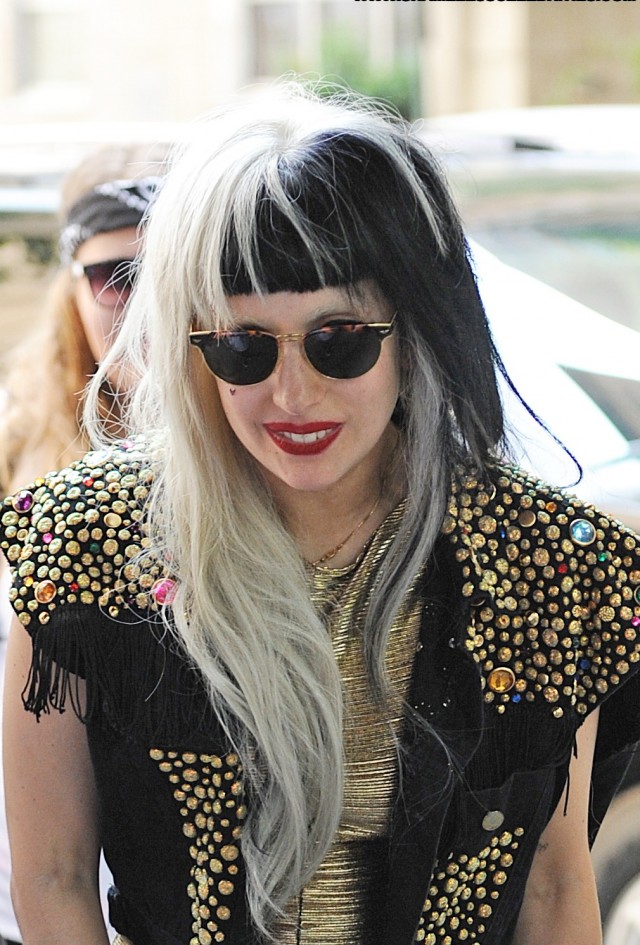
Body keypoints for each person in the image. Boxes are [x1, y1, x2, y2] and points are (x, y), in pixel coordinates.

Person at [1, 84, 639, 945]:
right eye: (244, 345)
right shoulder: (86, 545)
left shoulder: (543, 561)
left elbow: (555, 887)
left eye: (340, 339)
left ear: (415, 331)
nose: (293, 394)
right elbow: (53, 875)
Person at [0, 145, 164, 945]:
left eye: (169, 273)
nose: (144, 304)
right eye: (115, 276)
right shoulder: (12, 452)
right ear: (72, 284)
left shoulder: (276, 455)